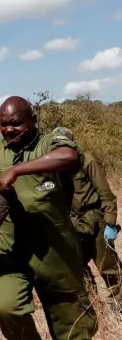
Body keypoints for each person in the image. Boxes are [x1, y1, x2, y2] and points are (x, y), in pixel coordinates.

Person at [0, 97, 97, 340]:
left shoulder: (49, 142)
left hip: (54, 249)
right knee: (5, 307)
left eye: (15, 124)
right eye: (3, 124)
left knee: (73, 328)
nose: (9, 130)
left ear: (34, 121)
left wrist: (16, 171)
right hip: (8, 247)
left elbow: (69, 156)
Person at [51, 126, 120, 296]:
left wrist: (110, 224)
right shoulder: (50, 165)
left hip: (95, 219)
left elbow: (107, 195)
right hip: (71, 222)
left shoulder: (87, 162)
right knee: (76, 266)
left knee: (108, 267)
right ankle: (93, 304)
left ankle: (119, 306)